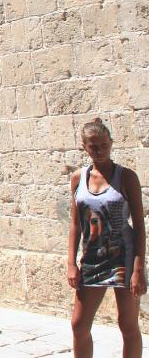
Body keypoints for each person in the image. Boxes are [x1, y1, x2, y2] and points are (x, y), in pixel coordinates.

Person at [68, 118, 145, 358]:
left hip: (123, 257)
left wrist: (138, 268)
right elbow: (75, 224)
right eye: (93, 146)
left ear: (111, 143)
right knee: (79, 325)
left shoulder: (126, 177)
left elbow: (139, 226)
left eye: (103, 145)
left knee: (128, 325)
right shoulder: (78, 178)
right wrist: (71, 263)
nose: (99, 150)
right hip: (92, 258)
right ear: (84, 147)